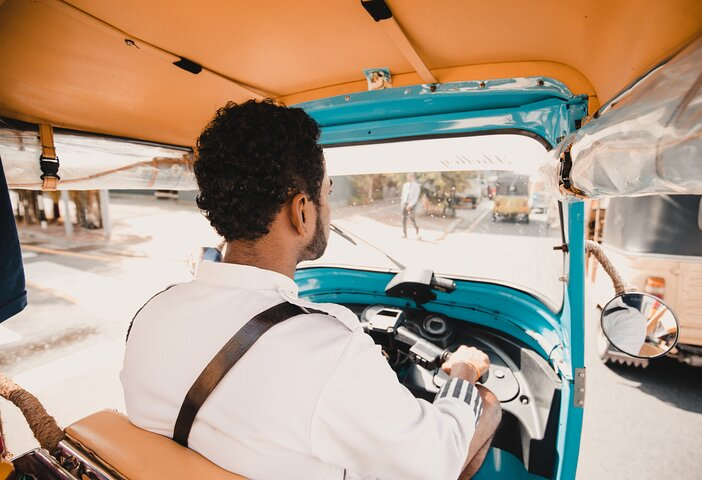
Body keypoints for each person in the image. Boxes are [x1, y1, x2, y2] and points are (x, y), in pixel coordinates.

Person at [121, 100, 500, 480]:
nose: (329, 211)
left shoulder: (153, 312)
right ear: (301, 211)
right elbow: (436, 462)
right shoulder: (331, 348)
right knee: (484, 404)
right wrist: (463, 372)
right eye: (327, 194)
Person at [401, 172, 421, 238]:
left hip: (412, 205)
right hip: (405, 203)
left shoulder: (416, 186)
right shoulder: (405, 185)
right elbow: (403, 195)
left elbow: (416, 197)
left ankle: (417, 230)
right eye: (407, 176)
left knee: (412, 219)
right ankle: (404, 234)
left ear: (413, 177)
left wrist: (410, 205)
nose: (408, 178)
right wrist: (403, 203)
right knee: (404, 218)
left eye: (410, 176)